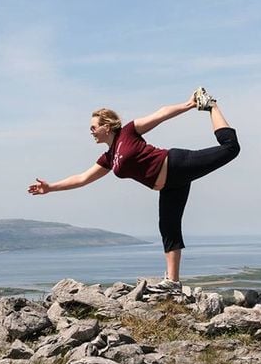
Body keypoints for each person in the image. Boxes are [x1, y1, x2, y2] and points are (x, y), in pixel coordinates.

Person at [27, 87, 240, 290]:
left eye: (94, 127)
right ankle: (173, 283)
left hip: (176, 163)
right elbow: (82, 178)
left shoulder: (127, 132)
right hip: (170, 186)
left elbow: (161, 114)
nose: (91, 131)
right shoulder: (109, 157)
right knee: (168, 227)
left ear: (107, 126)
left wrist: (190, 104)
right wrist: (51, 187)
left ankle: (211, 106)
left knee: (230, 149)